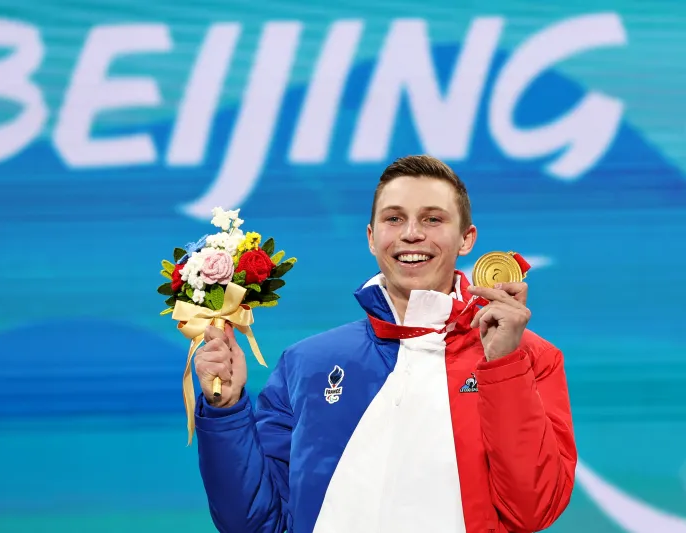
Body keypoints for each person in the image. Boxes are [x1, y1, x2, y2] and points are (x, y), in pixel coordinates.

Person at [192, 155, 577, 533]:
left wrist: (504, 367)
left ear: (466, 239)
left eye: (433, 219)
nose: (412, 233)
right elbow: (252, 522)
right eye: (394, 218)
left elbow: (533, 510)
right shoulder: (307, 363)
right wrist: (226, 410)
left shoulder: (527, 358)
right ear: (372, 238)